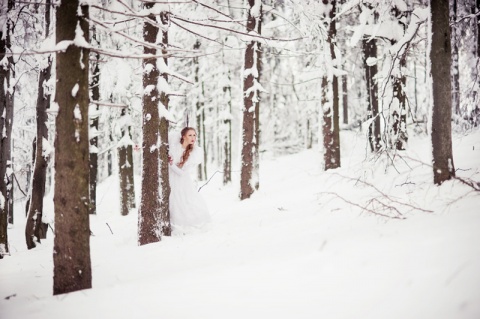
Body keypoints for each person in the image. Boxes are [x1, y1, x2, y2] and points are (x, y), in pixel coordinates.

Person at [168, 127, 210, 229]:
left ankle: (182, 225)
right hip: (169, 177)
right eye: (190, 135)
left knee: (183, 201)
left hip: (182, 180)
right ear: (183, 136)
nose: (193, 138)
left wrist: (171, 164)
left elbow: (182, 173)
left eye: (194, 135)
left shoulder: (194, 152)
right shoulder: (174, 146)